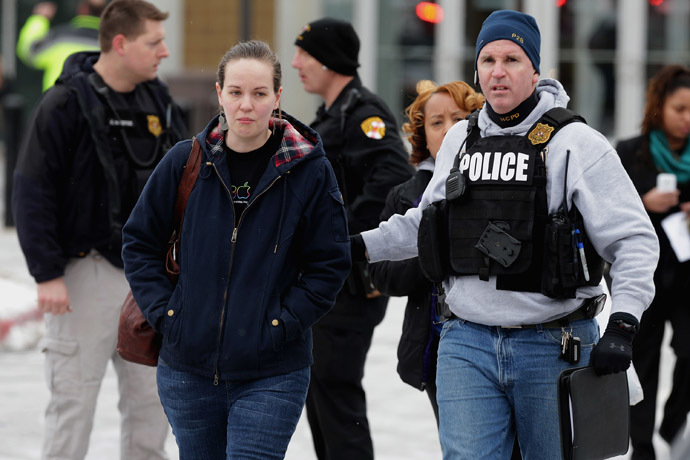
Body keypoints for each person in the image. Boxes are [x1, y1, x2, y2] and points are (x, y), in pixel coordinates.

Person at [352, 10, 659, 460]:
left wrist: (624, 323)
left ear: (535, 69)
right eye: (488, 59)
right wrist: (355, 247)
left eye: (512, 59)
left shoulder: (576, 143)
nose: (498, 71)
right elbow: (424, 224)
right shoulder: (461, 138)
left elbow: (633, 240)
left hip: (553, 346)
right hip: (465, 343)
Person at [121, 40, 351, 459]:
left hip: (272, 371)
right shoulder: (185, 161)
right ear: (219, 93)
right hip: (187, 369)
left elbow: (329, 265)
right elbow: (139, 242)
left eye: (260, 94)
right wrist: (168, 315)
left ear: (277, 97)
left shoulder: (310, 171)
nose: (247, 105)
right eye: (236, 92)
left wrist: (279, 326)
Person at [12, 1, 187, 459]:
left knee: (152, 405)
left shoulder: (159, 101)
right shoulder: (65, 103)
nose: (164, 52)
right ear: (121, 43)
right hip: (84, 275)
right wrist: (46, 273)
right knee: (73, 405)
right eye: (154, 42)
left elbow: (188, 180)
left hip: (150, 279)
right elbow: (33, 189)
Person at [291, 17, 414, 460]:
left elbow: (392, 182)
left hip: (349, 283)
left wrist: (343, 241)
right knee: (319, 391)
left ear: (328, 60)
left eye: (304, 54)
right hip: (327, 283)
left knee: (336, 392)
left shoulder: (363, 114)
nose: (296, 63)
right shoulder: (334, 113)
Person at [369, 80, 484, 425]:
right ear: (422, 135)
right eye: (437, 122)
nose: (449, 130)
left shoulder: (501, 181)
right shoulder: (405, 196)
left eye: (459, 118)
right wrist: (436, 255)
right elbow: (382, 274)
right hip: (437, 348)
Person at [616, 64, 690, 460]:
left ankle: (675, 424)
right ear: (659, 106)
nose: (687, 119)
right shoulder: (631, 153)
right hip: (644, 276)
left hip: (688, 278)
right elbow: (605, 213)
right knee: (642, 359)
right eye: (680, 108)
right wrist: (643, 204)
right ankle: (641, 445)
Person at [16, 0, 104, 92]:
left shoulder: (60, 38)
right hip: (100, 104)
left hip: (58, 102)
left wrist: (40, 18)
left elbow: (30, 51)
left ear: (83, 9)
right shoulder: (112, 43)